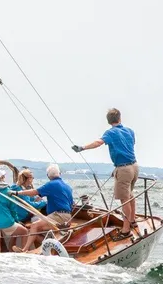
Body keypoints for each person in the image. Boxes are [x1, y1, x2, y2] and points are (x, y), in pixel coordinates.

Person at [71, 108, 138, 239]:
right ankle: (133, 220)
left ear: (108, 121)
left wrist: (82, 148)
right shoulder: (130, 131)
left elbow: (98, 142)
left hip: (124, 169)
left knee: (125, 199)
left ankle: (126, 230)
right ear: (120, 118)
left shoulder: (110, 133)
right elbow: (130, 145)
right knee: (130, 194)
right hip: (134, 166)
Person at [11, 164, 73, 252]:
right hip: (67, 216)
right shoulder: (68, 187)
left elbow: (34, 192)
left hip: (58, 215)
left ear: (48, 176)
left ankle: (25, 250)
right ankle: (47, 247)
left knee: (34, 226)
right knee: (36, 227)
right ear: (60, 173)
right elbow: (71, 205)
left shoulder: (51, 184)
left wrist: (17, 193)